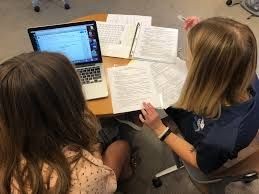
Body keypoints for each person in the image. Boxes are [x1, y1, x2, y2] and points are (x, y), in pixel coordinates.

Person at [139, 17, 259, 174]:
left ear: (206, 74)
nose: (187, 60)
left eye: (191, 58)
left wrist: (160, 129)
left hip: (201, 133)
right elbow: (228, 53)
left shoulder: (219, 139)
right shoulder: (243, 72)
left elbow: (199, 161)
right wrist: (207, 36)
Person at [0, 52, 131, 194]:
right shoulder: (86, 176)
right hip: (92, 181)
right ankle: (128, 180)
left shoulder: (9, 149)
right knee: (120, 146)